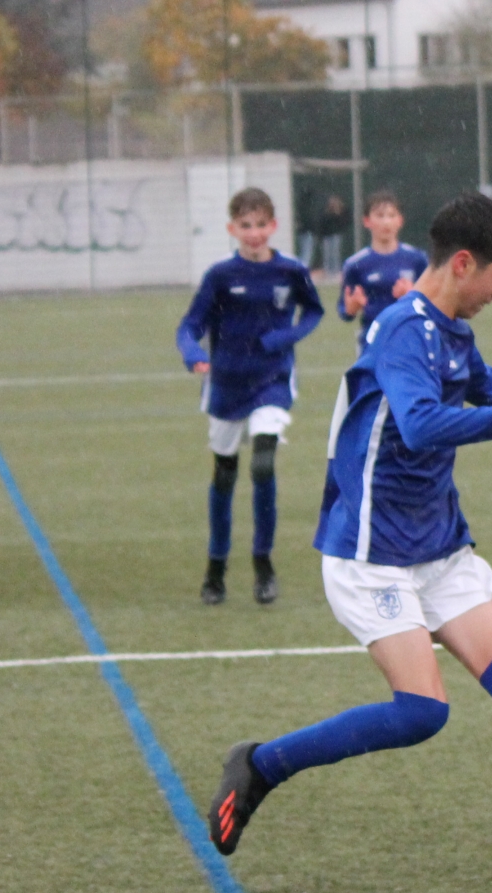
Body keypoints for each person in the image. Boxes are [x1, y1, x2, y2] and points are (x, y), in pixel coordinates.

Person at [205, 192, 492, 893]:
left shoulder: (450, 330)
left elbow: (486, 387)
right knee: (421, 712)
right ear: (463, 264)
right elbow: (421, 424)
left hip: (437, 543)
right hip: (371, 551)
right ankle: (260, 765)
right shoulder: (403, 329)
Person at [176, 187, 324, 607]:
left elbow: (313, 311)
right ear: (232, 229)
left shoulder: (290, 270)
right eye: (246, 225)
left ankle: (263, 564)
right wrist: (192, 354)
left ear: (273, 226)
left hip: (272, 381)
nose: (254, 232)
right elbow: (190, 325)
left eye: (261, 224)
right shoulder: (220, 276)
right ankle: (216, 569)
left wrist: (284, 337)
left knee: (262, 464)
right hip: (226, 385)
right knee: (224, 476)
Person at [338, 191, 429, 345]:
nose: (386, 222)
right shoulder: (355, 264)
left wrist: (412, 296)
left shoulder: (417, 259)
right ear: (367, 221)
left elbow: (434, 304)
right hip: (372, 341)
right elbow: (344, 310)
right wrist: (350, 309)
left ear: (400, 220)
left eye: (391, 215)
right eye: (380, 216)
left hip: (410, 339)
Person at [317, 193, 351, 278]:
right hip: (326, 235)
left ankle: (335, 271)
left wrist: (337, 213)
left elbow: (343, 222)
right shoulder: (325, 212)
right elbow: (322, 223)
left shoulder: (340, 212)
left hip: (335, 235)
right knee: (327, 254)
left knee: (335, 254)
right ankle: (328, 271)